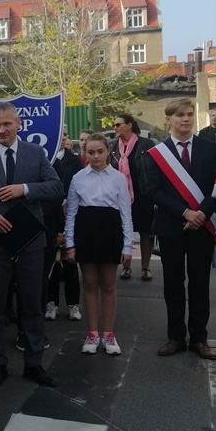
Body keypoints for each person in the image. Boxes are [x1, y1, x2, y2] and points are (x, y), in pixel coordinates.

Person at [0, 103, 64, 388]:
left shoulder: (36, 153)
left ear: (19, 124)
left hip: (30, 240)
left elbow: (56, 186)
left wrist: (25, 189)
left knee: (32, 303)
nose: (1, 130)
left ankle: (34, 363)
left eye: (6, 124)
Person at [143, 98, 216, 360]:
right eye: (179, 115)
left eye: (189, 114)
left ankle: (199, 339)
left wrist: (201, 214)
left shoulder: (210, 149)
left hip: (203, 225)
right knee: (173, 285)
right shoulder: (157, 154)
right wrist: (184, 212)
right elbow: (153, 190)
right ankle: (176, 337)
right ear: (169, 119)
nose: (186, 119)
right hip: (171, 226)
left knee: (200, 284)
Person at [65, 134, 133, 355]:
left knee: (109, 285)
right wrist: (70, 244)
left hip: (110, 232)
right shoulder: (78, 178)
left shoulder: (118, 178)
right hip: (86, 232)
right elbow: (71, 213)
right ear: (85, 153)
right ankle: (92, 333)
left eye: (100, 152)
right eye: (91, 152)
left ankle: (109, 333)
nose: (95, 156)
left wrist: (127, 246)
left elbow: (126, 214)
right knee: (90, 284)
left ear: (108, 152)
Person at [110, 114, 157, 281]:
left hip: (142, 195)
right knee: (124, 231)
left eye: (118, 124)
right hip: (119, 196)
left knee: (145, 233)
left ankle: (145, 268)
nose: (115, 128)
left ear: (129, 125)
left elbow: (154, 168)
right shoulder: (112, 145)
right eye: (114, 125)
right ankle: (126, 267)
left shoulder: (146, 144)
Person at [45, 130, 83, 322]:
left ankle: (73, 304)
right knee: (52, 263)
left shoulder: (74, 160)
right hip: (51, 217)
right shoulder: (45, 160)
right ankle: (51, 303)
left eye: (65, 134)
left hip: (69, 214)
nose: (62, 138)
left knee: (70, 263)